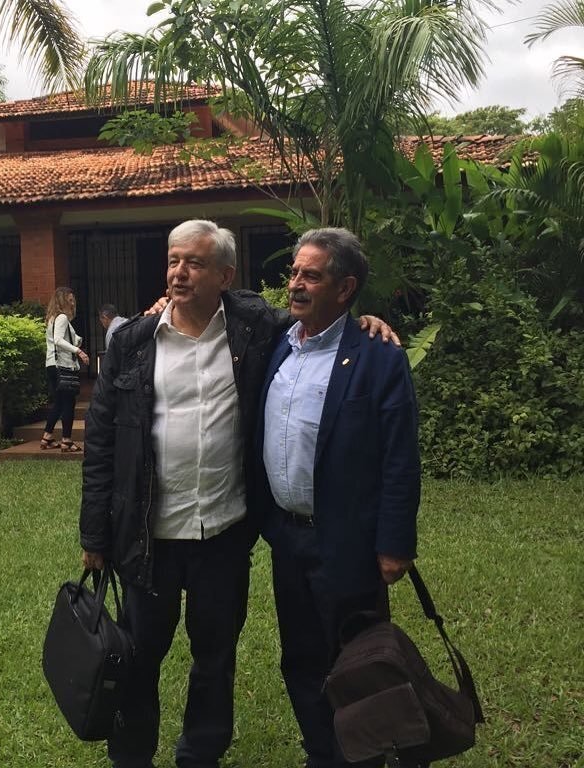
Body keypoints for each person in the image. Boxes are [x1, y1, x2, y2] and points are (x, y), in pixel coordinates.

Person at [79, 219, 395, 768]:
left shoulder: (255, 328)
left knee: (215, 656)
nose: (179, 272)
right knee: (138, 654)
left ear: (225, 276)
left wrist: (362, 321)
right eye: (174, 260)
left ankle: (200, 753)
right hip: (147, 538)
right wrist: (94, 534)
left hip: (223, 534)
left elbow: (319, 318)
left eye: (194, 263)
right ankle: (131, 756)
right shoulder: (131, 342)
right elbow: (100, 444)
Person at [256, 227, 421, 768]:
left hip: (349, 541)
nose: (296, 284)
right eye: (294, 273)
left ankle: (365, 755)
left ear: (345, 288)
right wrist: (162, 304)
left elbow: (400, 458)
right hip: (287, 537)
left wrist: (394, 544)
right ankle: (321, 752)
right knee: (300, 658)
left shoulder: (377, 356)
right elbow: (225, 306)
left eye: (311, 275)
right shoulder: (277, 344)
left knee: (357, 660)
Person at [42, 287, 89, 453]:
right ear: (62, 301)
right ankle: (66, 441)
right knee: (68, 403)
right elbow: (58, 340)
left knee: (59, 403)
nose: (73, 303)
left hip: (52, 365)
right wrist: (78, 351)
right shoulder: (61, 318)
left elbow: (59, 340)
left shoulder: (53, 318)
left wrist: (76, 340)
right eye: (70, 300)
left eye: (73, 300)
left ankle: (47, 436)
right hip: (62, 365)